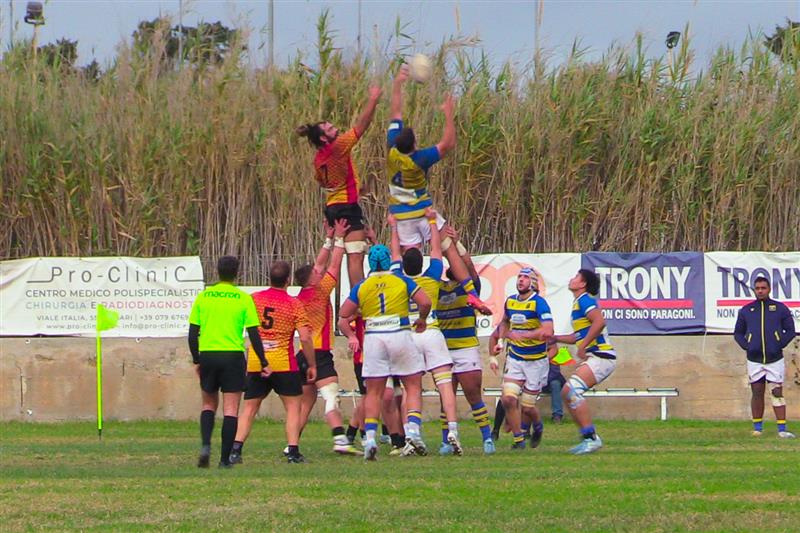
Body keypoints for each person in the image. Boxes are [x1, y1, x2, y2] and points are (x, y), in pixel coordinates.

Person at [387, 66, 491, 316]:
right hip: (424, 212)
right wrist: (448, 115)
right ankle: (472, 295)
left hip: (401, 217)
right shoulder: (420, 158)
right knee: (447, 246)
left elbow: (395, 111)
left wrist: (398, 83)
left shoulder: (392, 148)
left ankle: (404, 300)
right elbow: (448, 144)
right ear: (413, 144)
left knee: (403, 257)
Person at [338, 244, 432, 461]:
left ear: (369, 263)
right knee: (413, 385)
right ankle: (414, 432)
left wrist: (351, 336)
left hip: (374, 337)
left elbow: (343, 315)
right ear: (389, 260)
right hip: (399, 332)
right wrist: (422, 319)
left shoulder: (363, 286)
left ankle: (370, 438)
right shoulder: (400, 280)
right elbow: (425, 302)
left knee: (373, 392)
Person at [388, 209, 462, 456]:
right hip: (430, 331)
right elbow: (437, 250)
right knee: (444, 385)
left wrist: (394, 227)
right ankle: (452, 429)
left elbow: (395, 251)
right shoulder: (431, 276)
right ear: (422, 262)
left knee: (412, 388)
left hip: (408, 337)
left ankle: (413, 433)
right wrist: (432, 222)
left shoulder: (398, 278)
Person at [230, 261, 316, 464]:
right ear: (288, 281)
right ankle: (293, 451)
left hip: (257, 362)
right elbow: (304, 337)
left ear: (270, 277)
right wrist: (311, 364)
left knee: (250, 408)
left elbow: (241, 326)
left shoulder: (254, 299)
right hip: (283, 363)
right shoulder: (294, 304)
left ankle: (236, 450)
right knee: (294, 406)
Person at [296, 85, 382, 288]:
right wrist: (373, 100)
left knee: (339, 253)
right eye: (330, 129)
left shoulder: (319, 158)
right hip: (346, 207)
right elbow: (362, 126)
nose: (336, 128)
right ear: (324, 138)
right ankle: (358, 301)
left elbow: (323, 182)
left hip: (333, 207)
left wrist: (355, 188)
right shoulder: (337, 147)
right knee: (355, 256)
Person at [188, 256, 269, 469]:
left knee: (208, 404)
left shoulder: (204, 296)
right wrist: (263, 360)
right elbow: (253, 333)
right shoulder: (242, 298)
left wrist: (197, 359)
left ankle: (206, 446)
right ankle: (224, 460)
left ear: (217, 271)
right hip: (232, 355)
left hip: (208, 354)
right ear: (236, 273)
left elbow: (192, 332)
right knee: (231, 409)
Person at [294, 219, 360, 455]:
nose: (317, 270)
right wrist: (340, 238)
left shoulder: (301, 294)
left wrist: (328, 239)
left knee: (304, 404)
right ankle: (340, 440)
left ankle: (292, 445)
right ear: (312, 278)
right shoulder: (320, 292)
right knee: (332, 397)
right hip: (318, 354)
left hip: (301, 355)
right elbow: (333, 265)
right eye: (314, 272)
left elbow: (321, 265)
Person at [436, 225, 496, 454]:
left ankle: (487, 439)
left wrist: (456, 244)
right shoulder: (437, 288)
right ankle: (446, 441)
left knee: (473, 396)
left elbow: (469, 267)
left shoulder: (470, 289)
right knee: (446, 399)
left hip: (466, 349)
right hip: (443, 351)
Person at [550, 269, 618, 455]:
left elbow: (599, 321)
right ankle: (587, 437)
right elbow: (577, 336)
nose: (571, 279)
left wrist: (583, 346)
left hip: (602, 357)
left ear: (583, 284)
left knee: (572, 390)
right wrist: (554, 338)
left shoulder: (585, 300)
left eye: (576, 277)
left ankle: (591, 439)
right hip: (597, 357)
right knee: (567, 392)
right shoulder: (578, 303)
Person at [488, 267, 553, 450]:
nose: (521, 280)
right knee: (508, 399)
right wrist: (501, 340)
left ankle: (538, 426)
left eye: (525, 277)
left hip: (536, 361)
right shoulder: (510, 302)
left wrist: (523, 335)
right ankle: (519, 441)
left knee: (527, 407)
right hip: (515, 358)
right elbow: (504, 322)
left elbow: (548, 331)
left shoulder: (539, 303)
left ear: (533, 283)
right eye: (519, 277)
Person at [733, 275, 797, 438]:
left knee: (776, 392)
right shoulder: (747, 310)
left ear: (769, 289)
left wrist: (778, 344)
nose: (760, 291)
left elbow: (790, 331)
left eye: (763, 288)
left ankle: (782, 430)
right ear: (754, 290)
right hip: (754, 360)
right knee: (757, 392)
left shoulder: (780, 308)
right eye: (757, 288)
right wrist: (748, 345)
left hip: (774, 358)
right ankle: (757, 428)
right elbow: (738, 333)